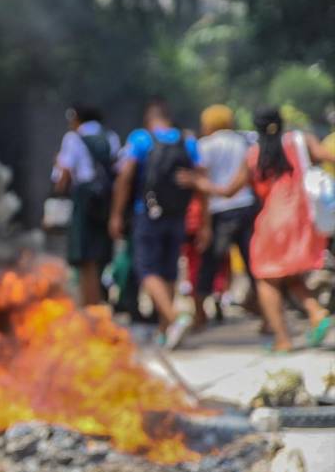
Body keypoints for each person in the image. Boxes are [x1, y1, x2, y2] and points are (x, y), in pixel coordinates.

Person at [184, 108, 334, 352]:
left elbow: (229, 191)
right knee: (289, 274)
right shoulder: (299, 140)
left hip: (272, 223)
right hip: (302, 219)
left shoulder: (254, 155)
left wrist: (199, 183)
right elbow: (326, 155)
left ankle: (282, 339)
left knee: (266, 278)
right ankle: (316, 312)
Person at [109, 98, 206, 349]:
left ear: (148, 119)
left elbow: (125, 177)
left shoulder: (141, 139)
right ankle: (165, 331)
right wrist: (205, 222)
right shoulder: (188, 141)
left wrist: (117, 214)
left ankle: (174, 319)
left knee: (146, 269)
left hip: (147, 213)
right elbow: (201, 181)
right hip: (178, 215)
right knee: (169, 270)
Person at [191, 104, 258, 328]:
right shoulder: (243, 142)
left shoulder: (205, 145)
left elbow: (202, 188)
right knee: (252, 263)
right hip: (245, 206)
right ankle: (265, 312)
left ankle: (199, 315)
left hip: (219, 211)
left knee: (209, 264)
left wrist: (205, 224)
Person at [52, 105, 120, 305]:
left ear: (77, 119)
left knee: (85, 258)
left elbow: (64, 174)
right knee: (101, 255)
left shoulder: (73, 138)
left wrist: (58, 188)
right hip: (107, 200)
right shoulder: (111, 136)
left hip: (84, 200)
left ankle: (91, 306)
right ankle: (100, 300)